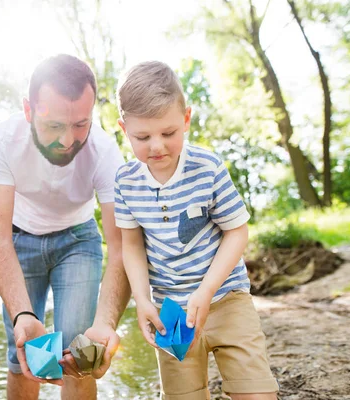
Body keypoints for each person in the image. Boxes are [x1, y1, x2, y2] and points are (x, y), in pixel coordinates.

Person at [113, 61, 279, 400]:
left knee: (256, 393)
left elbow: (237, 232)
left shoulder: (207, 167)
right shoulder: (125, 182)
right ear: (123, 129)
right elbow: (131, 246)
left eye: (168, 133)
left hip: (226, 298)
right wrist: (142, 300)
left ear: (186, 119)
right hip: (170, 314)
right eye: (142, 137)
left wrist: (206, 291)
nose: (156, 146)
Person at [0, 54, 131, 400]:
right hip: (18, 241)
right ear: (29, 110)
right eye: (54, 126)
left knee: (80, 354)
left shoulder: (106, 153)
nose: (67, 140)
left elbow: (121, 249)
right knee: (24, 354)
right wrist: (22, 314)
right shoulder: (1, 142)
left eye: (81, 124)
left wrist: (106, 323)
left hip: (78, 240)